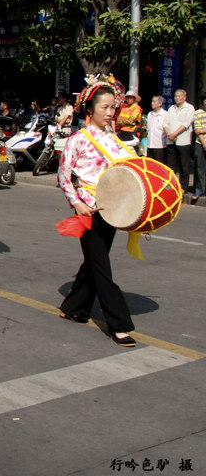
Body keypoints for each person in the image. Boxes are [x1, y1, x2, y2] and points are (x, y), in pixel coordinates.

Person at [57, 77, 136, 347]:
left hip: (112, 210)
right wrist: (76, 202)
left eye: (113, 107)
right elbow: (64, 176)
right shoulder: (78, 139)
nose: (110, 112)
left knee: (94, 262)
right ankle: (119, 324)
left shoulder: (115, 139)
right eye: (105, 107)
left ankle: (75, 307)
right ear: (90, 109)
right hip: (88, 210)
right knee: (102, 267)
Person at [163, 89, 195, 190]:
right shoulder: (171, 108)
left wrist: (175, 133)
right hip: (170, 140)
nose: (177, 98)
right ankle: (170, 185)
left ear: (185, 97)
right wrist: (169, 134)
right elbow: (165, 123)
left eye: (180, 96)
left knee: (183, 165)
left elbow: (186, 124)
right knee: (170, 165)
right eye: (176, 96)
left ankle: (183, 186)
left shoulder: (189, 108)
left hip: (183, 140)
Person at [191, 93, 206, 202]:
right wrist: (204, 143)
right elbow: (197, 130)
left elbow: (201, 129)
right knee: (200, 168)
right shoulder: (197, 113)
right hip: (200, 144)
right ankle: (199, 189)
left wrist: (202, 130)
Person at [145, 95, 168, 163]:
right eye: (152, 101)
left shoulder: (165, 114)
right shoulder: (150, 114)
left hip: (160, 145)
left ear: (160, 103)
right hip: (150, 144)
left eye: (154, 101)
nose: (152, 103)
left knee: (159, 165)